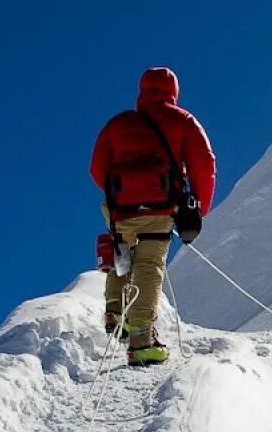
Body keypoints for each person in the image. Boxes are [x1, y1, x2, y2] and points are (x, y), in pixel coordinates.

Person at [90, 67, 216, 366]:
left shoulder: (118, 124)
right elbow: (203, 165)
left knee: (122, 256)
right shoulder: (183, 120)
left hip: (121, 208)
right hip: (160, 207)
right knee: (148, 265)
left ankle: (115, 312)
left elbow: (97, 168)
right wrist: (198, 210)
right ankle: (141, 341)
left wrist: (121, 194)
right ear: (174, 91)